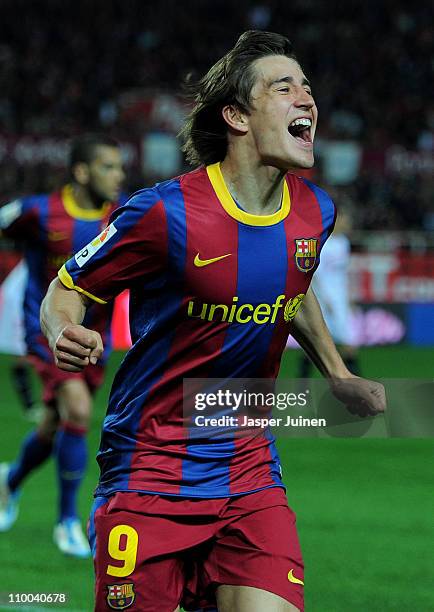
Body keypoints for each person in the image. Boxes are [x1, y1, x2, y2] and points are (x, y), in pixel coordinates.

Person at [40, 32, 385, 611]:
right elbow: (67, 288)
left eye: (307, 87)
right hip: (150, 470)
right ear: (236, 116)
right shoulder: (162, 212)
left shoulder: (314, 210)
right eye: (284, 87)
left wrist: (335, 372)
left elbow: (291, 290)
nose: (307, 99)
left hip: (250, 472)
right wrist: (63, 329)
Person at [0, 134, 126, 558]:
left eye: (119, 167)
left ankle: (9, 483)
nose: (119, 175)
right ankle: (69, 521)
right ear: (82, 171)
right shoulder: (38, 212)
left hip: (97, 341)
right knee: (78, 411)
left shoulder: (125, 216)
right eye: (109, 166)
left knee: (55, 425)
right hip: (47, 333)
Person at [298, 206, 360, 377]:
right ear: (337, 220)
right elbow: (314, 274)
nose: (348, 224)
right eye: (346, 221)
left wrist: (349, 298)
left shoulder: (344, 243)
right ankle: (302, 382)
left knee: (350, 342)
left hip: (339, 299)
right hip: (323, 299)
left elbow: (343, 274)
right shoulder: (322, 243)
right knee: (317, 341)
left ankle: (355, 383)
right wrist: (323, 299)